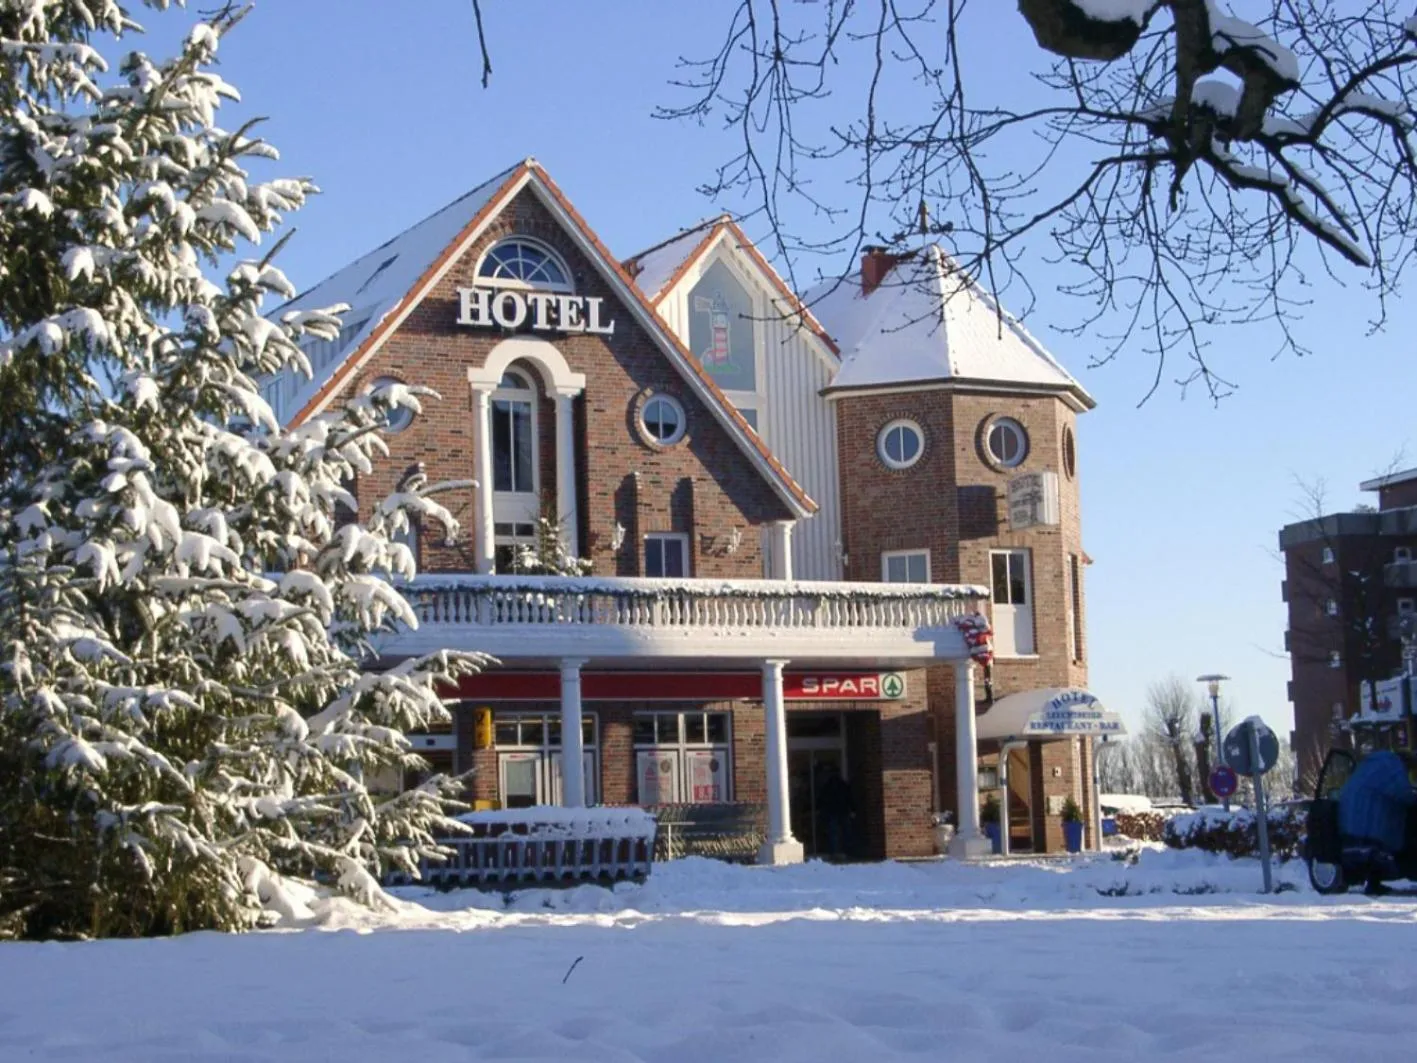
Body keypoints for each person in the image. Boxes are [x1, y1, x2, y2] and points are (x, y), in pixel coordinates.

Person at [1337, 749, 1417, 895]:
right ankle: (1376, 882)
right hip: (1368, 823)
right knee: (1380, 848)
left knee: (1374, 851)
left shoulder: (1375, 763)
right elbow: (1402, 792)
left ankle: (1374, 883)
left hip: (1351, 822)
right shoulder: (1393, 766)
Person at [817, 762, 854, 861]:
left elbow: (822, 799)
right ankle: (847, 852)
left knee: (833, 833)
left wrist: (821, 809)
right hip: (843, 811)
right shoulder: (843, 785)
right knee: (845, 832)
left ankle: (834, 852)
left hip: (832, 812)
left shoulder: (827, 786)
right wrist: (852, 810)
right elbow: (850, 798)